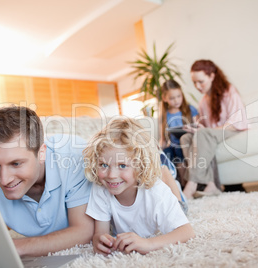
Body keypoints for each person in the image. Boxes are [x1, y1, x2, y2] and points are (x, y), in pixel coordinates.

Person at [0, 106, 94, 257]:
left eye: (16, 163)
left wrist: (19, 247)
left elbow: (84, 231)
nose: (4, 179)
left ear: (42, 153)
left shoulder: (74, 157)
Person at [83, 117, 195, 255]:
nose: (111, 175)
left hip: (168, 192)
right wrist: (101, 241)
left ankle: (164, 170)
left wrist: (148, 243)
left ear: (140, 166)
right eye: (103, 165)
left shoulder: (157, 192)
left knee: (181, 209)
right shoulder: (101, 187)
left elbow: (187, 232)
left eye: (122, 165)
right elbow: (100, 233)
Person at [180, 59, 248, 199]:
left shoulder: (229, 92)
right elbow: (205, 129)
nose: (197, 86)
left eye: (201, 81)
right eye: (194, 82)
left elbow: (236, 122)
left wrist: (206, 130)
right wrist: (197, 127)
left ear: (212, 76)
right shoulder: (203, 101)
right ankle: (210, 184)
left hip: (233, 129)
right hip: (214, 134)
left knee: (203, 134)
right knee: (185, 138)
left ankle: (191, 184)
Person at [160, 79, 198, 185]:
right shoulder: (165, 115)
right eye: (172, 98)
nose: (176, 100)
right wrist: (159, 149)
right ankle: (177, 184)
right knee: (166, 153)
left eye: (179, 96)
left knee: (179, 150)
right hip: (173, 145)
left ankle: (186, 184)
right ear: (164, 98)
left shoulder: (190, 109)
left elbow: (198, 127)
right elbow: (163, 139)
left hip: (188, 142)